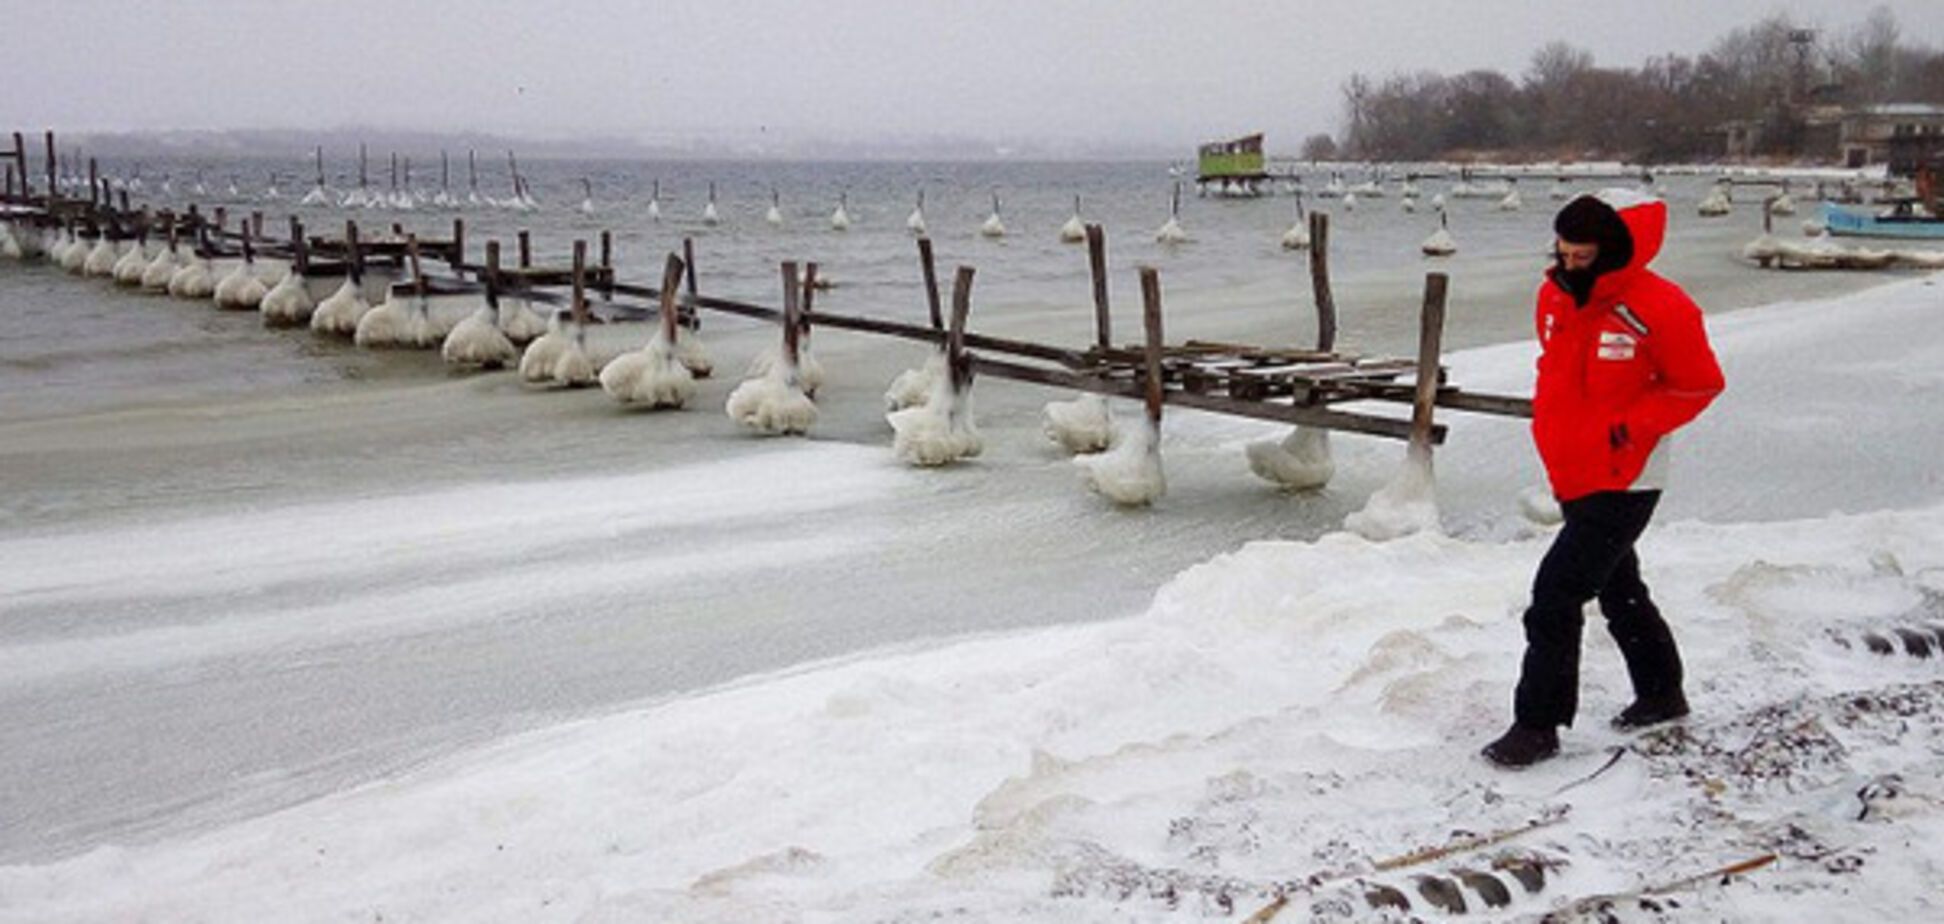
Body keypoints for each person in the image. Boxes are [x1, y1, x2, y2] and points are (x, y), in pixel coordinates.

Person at [1482, 190, 1726, 768]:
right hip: (1572, 469)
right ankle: (1662, 692)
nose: (1566, 265)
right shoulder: (1553, 294)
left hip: (1628, 476)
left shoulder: (1662, 306)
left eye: (1580, 256)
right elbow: (1555, 368)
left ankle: (1537, 726)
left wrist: (1628, 429)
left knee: (1555, 596)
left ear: (1612, 251)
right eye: (1561, 253)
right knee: (1619, 588)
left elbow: (1698, 384)